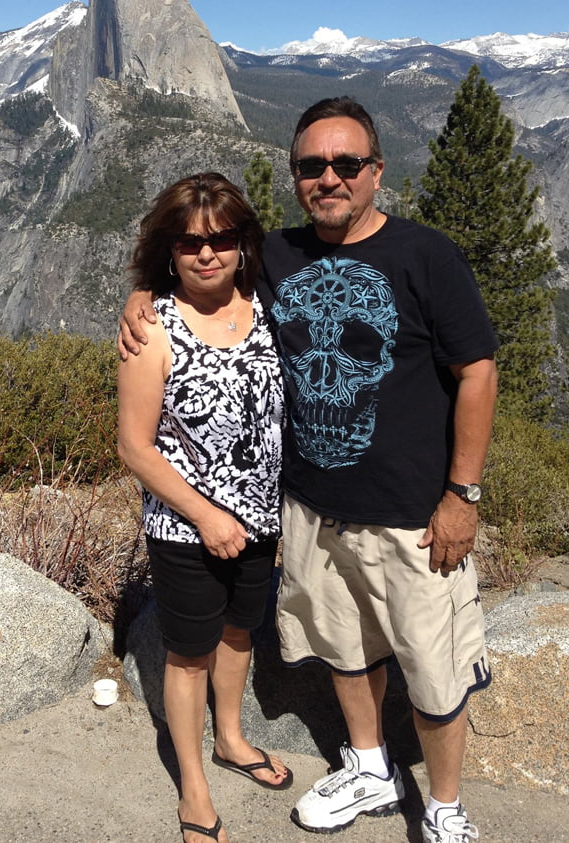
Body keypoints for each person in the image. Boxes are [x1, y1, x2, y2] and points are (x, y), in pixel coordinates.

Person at [119, 99, 498, 843]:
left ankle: (447, 808)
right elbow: (196, 275)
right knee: (342, 646)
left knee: (433, 668)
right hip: (310, 512)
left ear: (375, 172)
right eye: (311, 166)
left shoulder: (427, 255)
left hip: (413, 515)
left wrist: (463, 494)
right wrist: (142, 295)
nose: (329, 177)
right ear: (295, 176)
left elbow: (478, 373)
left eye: (346, 163)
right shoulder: (280, 257)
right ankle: (367, 765)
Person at [117, 172, 293, 843]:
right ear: (170, 249)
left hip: (261, 519)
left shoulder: (268, 304)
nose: (207, 253)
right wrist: (207, 515)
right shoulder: (152, 329)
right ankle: (194, 783)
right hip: (186, 526)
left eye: (221, 238)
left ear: (243, 242)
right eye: (190, 242)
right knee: (188, 654)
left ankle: (232, 737)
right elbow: (135, 448)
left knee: (240, 631)